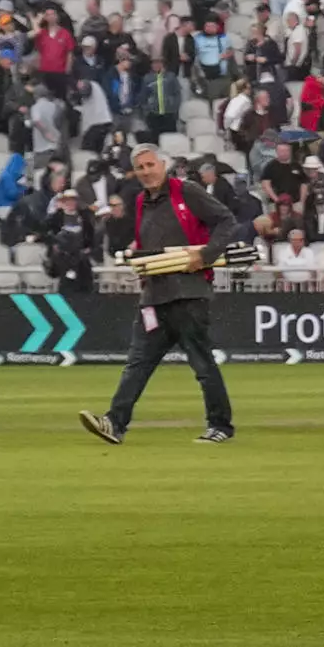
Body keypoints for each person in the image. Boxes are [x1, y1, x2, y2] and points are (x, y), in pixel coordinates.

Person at [76, 144, 246, 447]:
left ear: (162, 164)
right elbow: (147, 243)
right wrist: (141, 265)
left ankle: (220, 425)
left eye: (150, 165)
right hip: (154, 295)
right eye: (140, 167)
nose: (146, 171)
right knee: (137, 364)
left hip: (189, 292)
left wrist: (206, 254)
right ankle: (115, 423)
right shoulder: (141, 201)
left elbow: (226, 221)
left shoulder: (187, 191)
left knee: (203, 365)